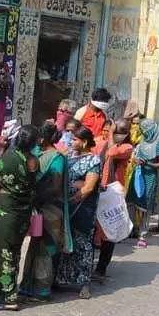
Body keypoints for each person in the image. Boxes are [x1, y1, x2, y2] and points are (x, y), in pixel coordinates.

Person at [0, 124, 38, 310]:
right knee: (13, 251)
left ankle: (5, 295)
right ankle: (8, 291)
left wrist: (2, 148)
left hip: (5, 210)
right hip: (22, 211)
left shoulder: (9, 157)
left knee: (1, 252)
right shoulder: (33, 160)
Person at [19, 121, 70, 302]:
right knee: (34, 247)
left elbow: (56, 188)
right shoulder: (35, 154)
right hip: (37, 209)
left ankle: (41, 290)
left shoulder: (56, 158)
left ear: (43, 138)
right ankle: (27, 286)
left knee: (46, 251)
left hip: (50, 209)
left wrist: (36, 197)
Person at [55, 127, 102, 299]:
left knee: (84, 244)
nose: (72, 142)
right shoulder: (68, 157)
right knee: (66, 242)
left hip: (83, 209)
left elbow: (89, 187)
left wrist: (72, 199)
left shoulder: (93, 161)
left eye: (75, 140)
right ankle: (62, 279)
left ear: (84, 142)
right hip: (65, 206)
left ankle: (84, 284)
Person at [94, 118, 132, 280]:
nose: (117, 135)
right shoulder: (98, 143)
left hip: (113, 193)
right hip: (97, 189)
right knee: (94, 230)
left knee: (109, 232)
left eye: (121, 132)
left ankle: (101, 269)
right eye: (116, 131)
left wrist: (111, 133)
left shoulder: (127, 147)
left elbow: (112, 152)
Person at [128, 118, 159, 248]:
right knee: (132, 202)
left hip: (150, 176)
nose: (144, 133)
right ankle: (131, 229)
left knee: (146, 204)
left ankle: (143, 233)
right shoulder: (143, 140)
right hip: (138, 173)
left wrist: (147, 163)